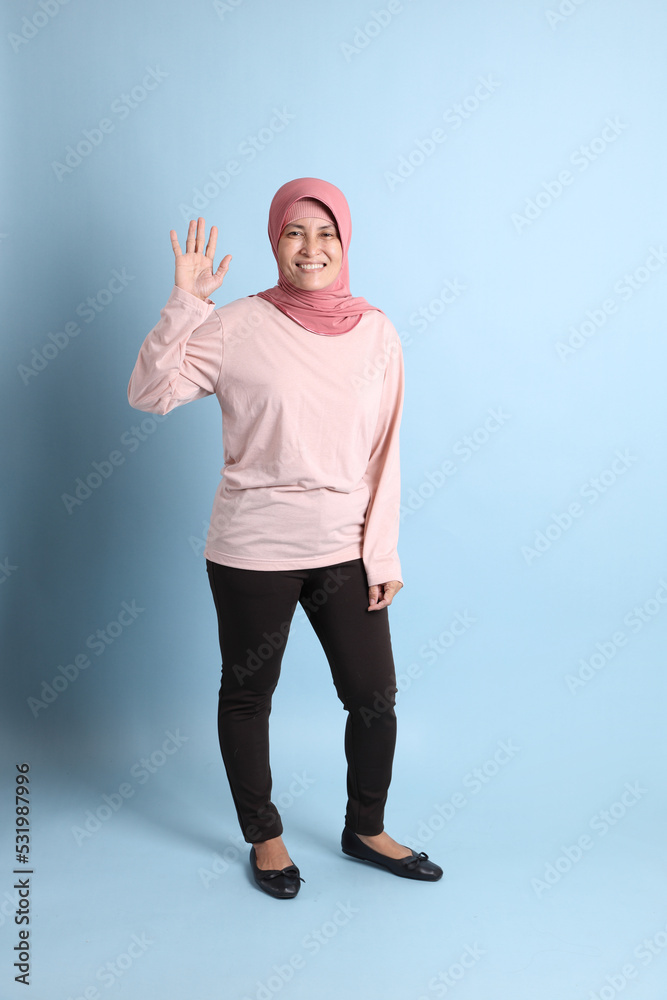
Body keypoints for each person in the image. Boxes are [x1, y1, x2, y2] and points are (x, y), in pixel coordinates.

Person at [127, 177, 443, 898]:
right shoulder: (235, 323)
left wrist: (381, 553)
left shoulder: (377, 331)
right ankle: (264, 836)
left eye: (325, 233)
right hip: (252, 548)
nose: (311, 247)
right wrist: (186, 304)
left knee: (373, 698)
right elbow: (149, 393)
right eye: (295, 232)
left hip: (344, 548)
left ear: (345, 242)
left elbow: (385, 453)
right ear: (275, 242)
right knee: (248, 695)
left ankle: (365, 829)